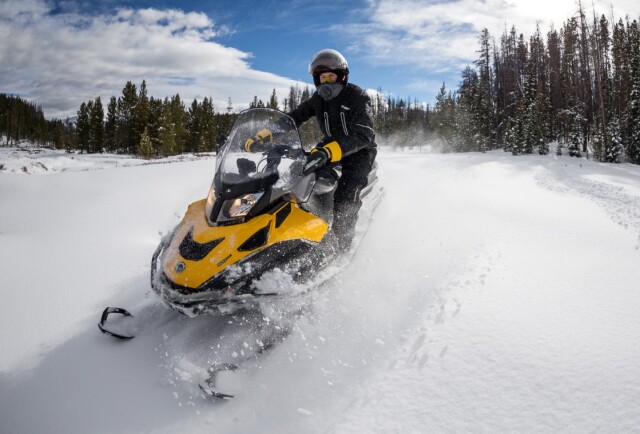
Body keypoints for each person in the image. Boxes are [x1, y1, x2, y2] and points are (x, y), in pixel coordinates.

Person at [289, 48, 377, 254]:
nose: (327, 82)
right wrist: (266, 134)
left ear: (342, 76)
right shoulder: (318, 100)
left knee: (345, 196)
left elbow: (365, 134)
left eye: (331, 76)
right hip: (329, 147)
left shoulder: (357, 96)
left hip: (359, 151)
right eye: (322, 77)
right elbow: (295, 116)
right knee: (297, 177)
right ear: (317, 80)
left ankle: (342, 248)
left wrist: (331, 151)